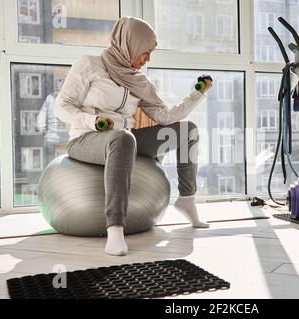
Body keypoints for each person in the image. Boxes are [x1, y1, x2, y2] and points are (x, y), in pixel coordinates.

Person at [55, 17, 212, 257]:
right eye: (145, 52)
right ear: (129, 45)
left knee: (187, 130)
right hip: (86, 139)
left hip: (124, 139)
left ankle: (187, 200)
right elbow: (62, 106)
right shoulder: (89, 65)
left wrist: (196, 95)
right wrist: (92, 121)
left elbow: (164, 116)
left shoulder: (139, 81)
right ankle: (115, 228)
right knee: (123, 137)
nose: (147, 59)